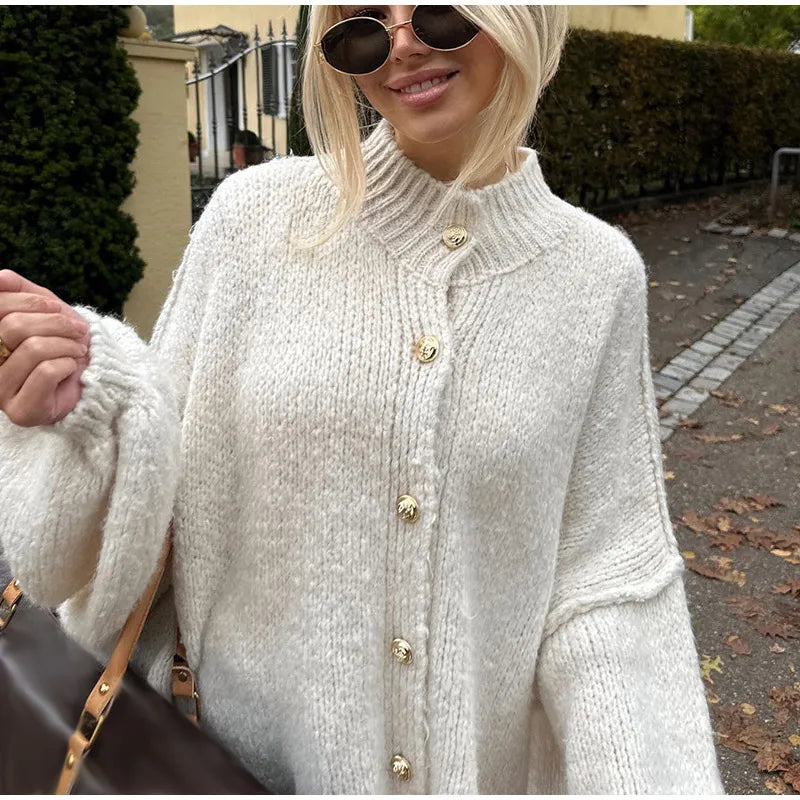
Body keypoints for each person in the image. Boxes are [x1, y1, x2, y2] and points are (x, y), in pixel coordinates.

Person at [0, 5, 725, 794]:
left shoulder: (597, 277)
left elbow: (605, 580)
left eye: (440, 13)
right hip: (221, 764)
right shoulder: (256, 221)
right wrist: (88, 410)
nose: (402, 45)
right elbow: (149, 488)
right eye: (364, 26)